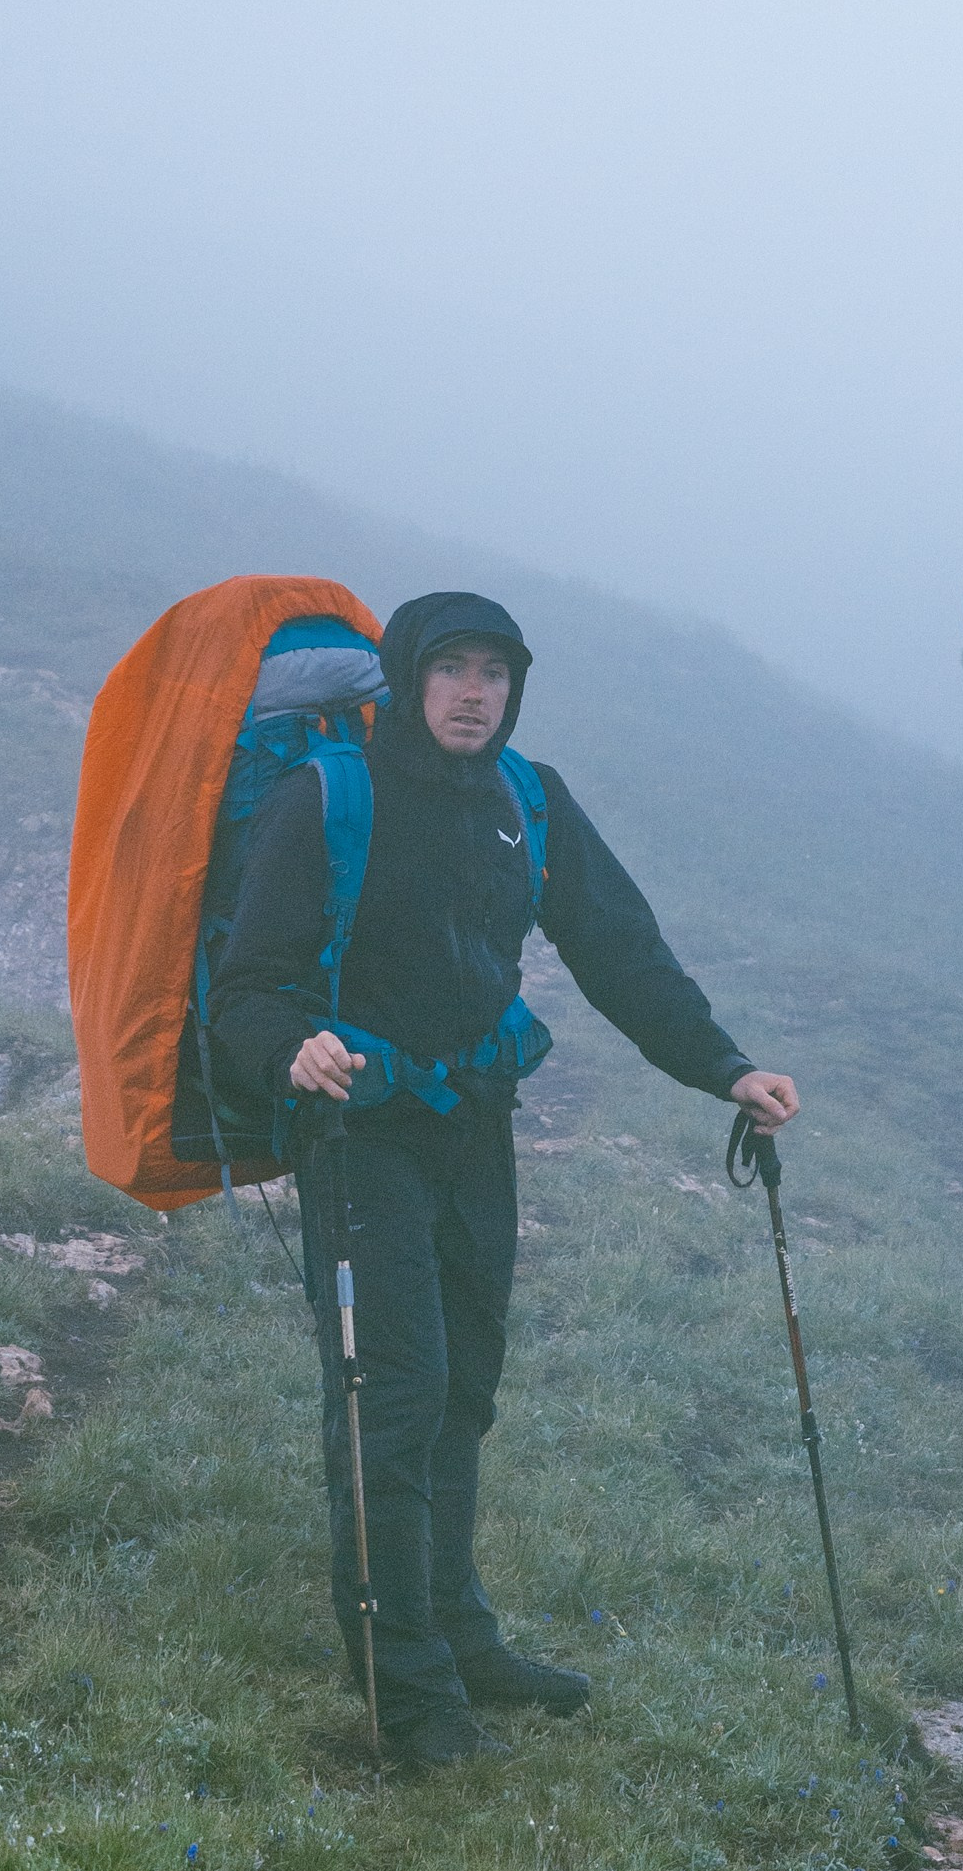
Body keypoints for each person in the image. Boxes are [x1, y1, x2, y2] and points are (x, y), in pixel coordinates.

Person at [212, 589, 798, 1773]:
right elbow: (245, 983)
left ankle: (460, 1635)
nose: (474, 691)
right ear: (403, 678)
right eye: (451, 669)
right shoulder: (324, 798)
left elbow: (618, 945)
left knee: (464, 1387)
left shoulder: (528, 799)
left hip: (473, 1121)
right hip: (355, 1131)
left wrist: (724, 1067)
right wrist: (291, 1044)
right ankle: (408, 1692)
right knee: (394, 1396)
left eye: (494, 671)